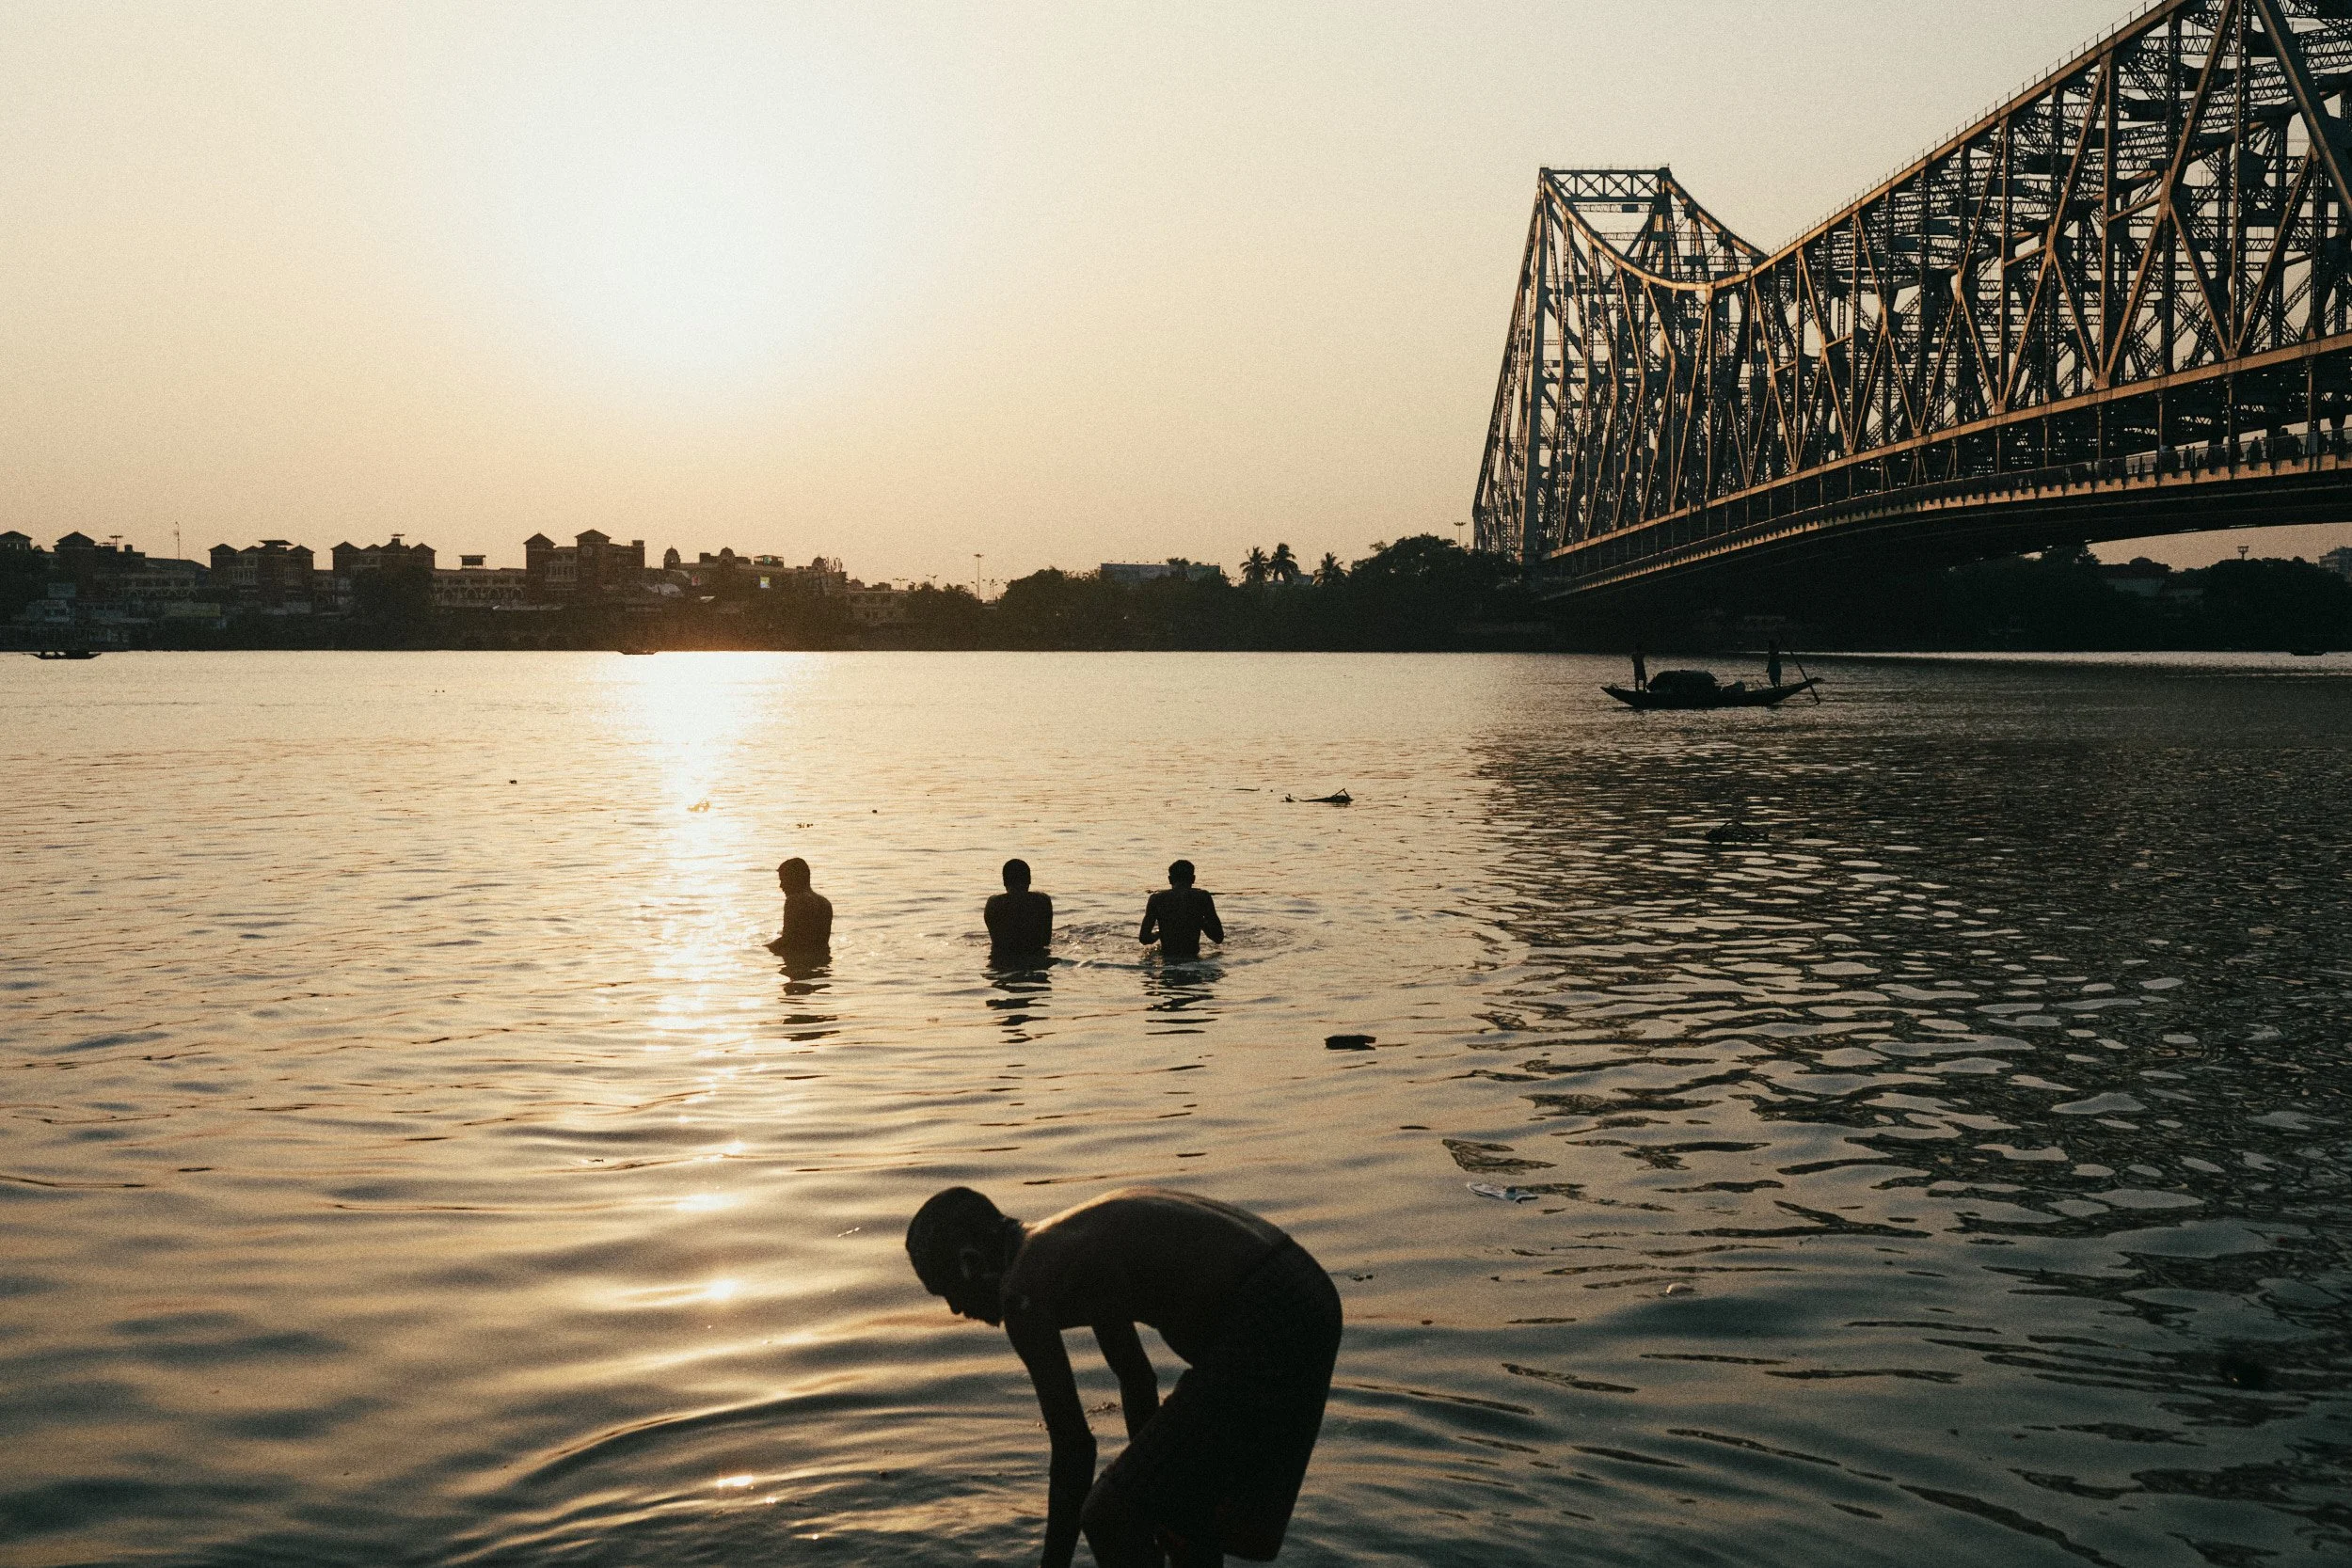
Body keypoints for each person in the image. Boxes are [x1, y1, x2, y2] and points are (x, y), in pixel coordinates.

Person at [906, 1185, 1341, 1567]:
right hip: (1304, 1291)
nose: (956, 1311)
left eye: (947, 1294)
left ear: (970, 1263)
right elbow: (1136, 1379)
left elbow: (1074, 1448)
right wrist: (1151, 1493)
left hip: (1267, 1312)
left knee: (1107, 1515)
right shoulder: (1065, 1248)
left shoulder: (1023, 1291)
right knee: (1180, 1517)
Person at [1138, 860, 1223, 962]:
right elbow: (1218, 937)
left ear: (1170, 880)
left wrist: (1159, 932)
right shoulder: (1202, 897)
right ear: (1193, 879)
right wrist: (1200, 922)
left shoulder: (1157, 899)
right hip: (1193, 959)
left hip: (1168, 959)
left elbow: (1144, 938)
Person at [985, 857, 1054, 960]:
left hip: (1002, 961)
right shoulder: (1042, 901)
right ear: (1029, 880)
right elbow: (1046, 941)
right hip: (1036, 958)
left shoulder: (994, 903)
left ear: (1004, 882)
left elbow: (997, 940)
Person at [770, 857, 833, 956]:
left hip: (798, 962)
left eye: (783, 880)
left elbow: (787, 941)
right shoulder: (825, 903)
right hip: (823, 959)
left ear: (794, 879)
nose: (781, 886)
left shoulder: (794, 900)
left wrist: (762, 949)